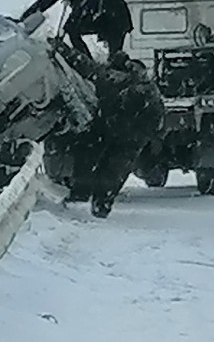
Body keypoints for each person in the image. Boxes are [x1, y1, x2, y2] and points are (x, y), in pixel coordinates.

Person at [53, 41, 165, 218]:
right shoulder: (149, 89)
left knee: (91, 161)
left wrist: (63, 50)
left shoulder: (107, 78)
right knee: (113, 171)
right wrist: (151, 136)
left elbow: (85, 65)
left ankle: (81, 198)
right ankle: (100, 204)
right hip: (127, 136)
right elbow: (157, 116)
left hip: (110, 130)